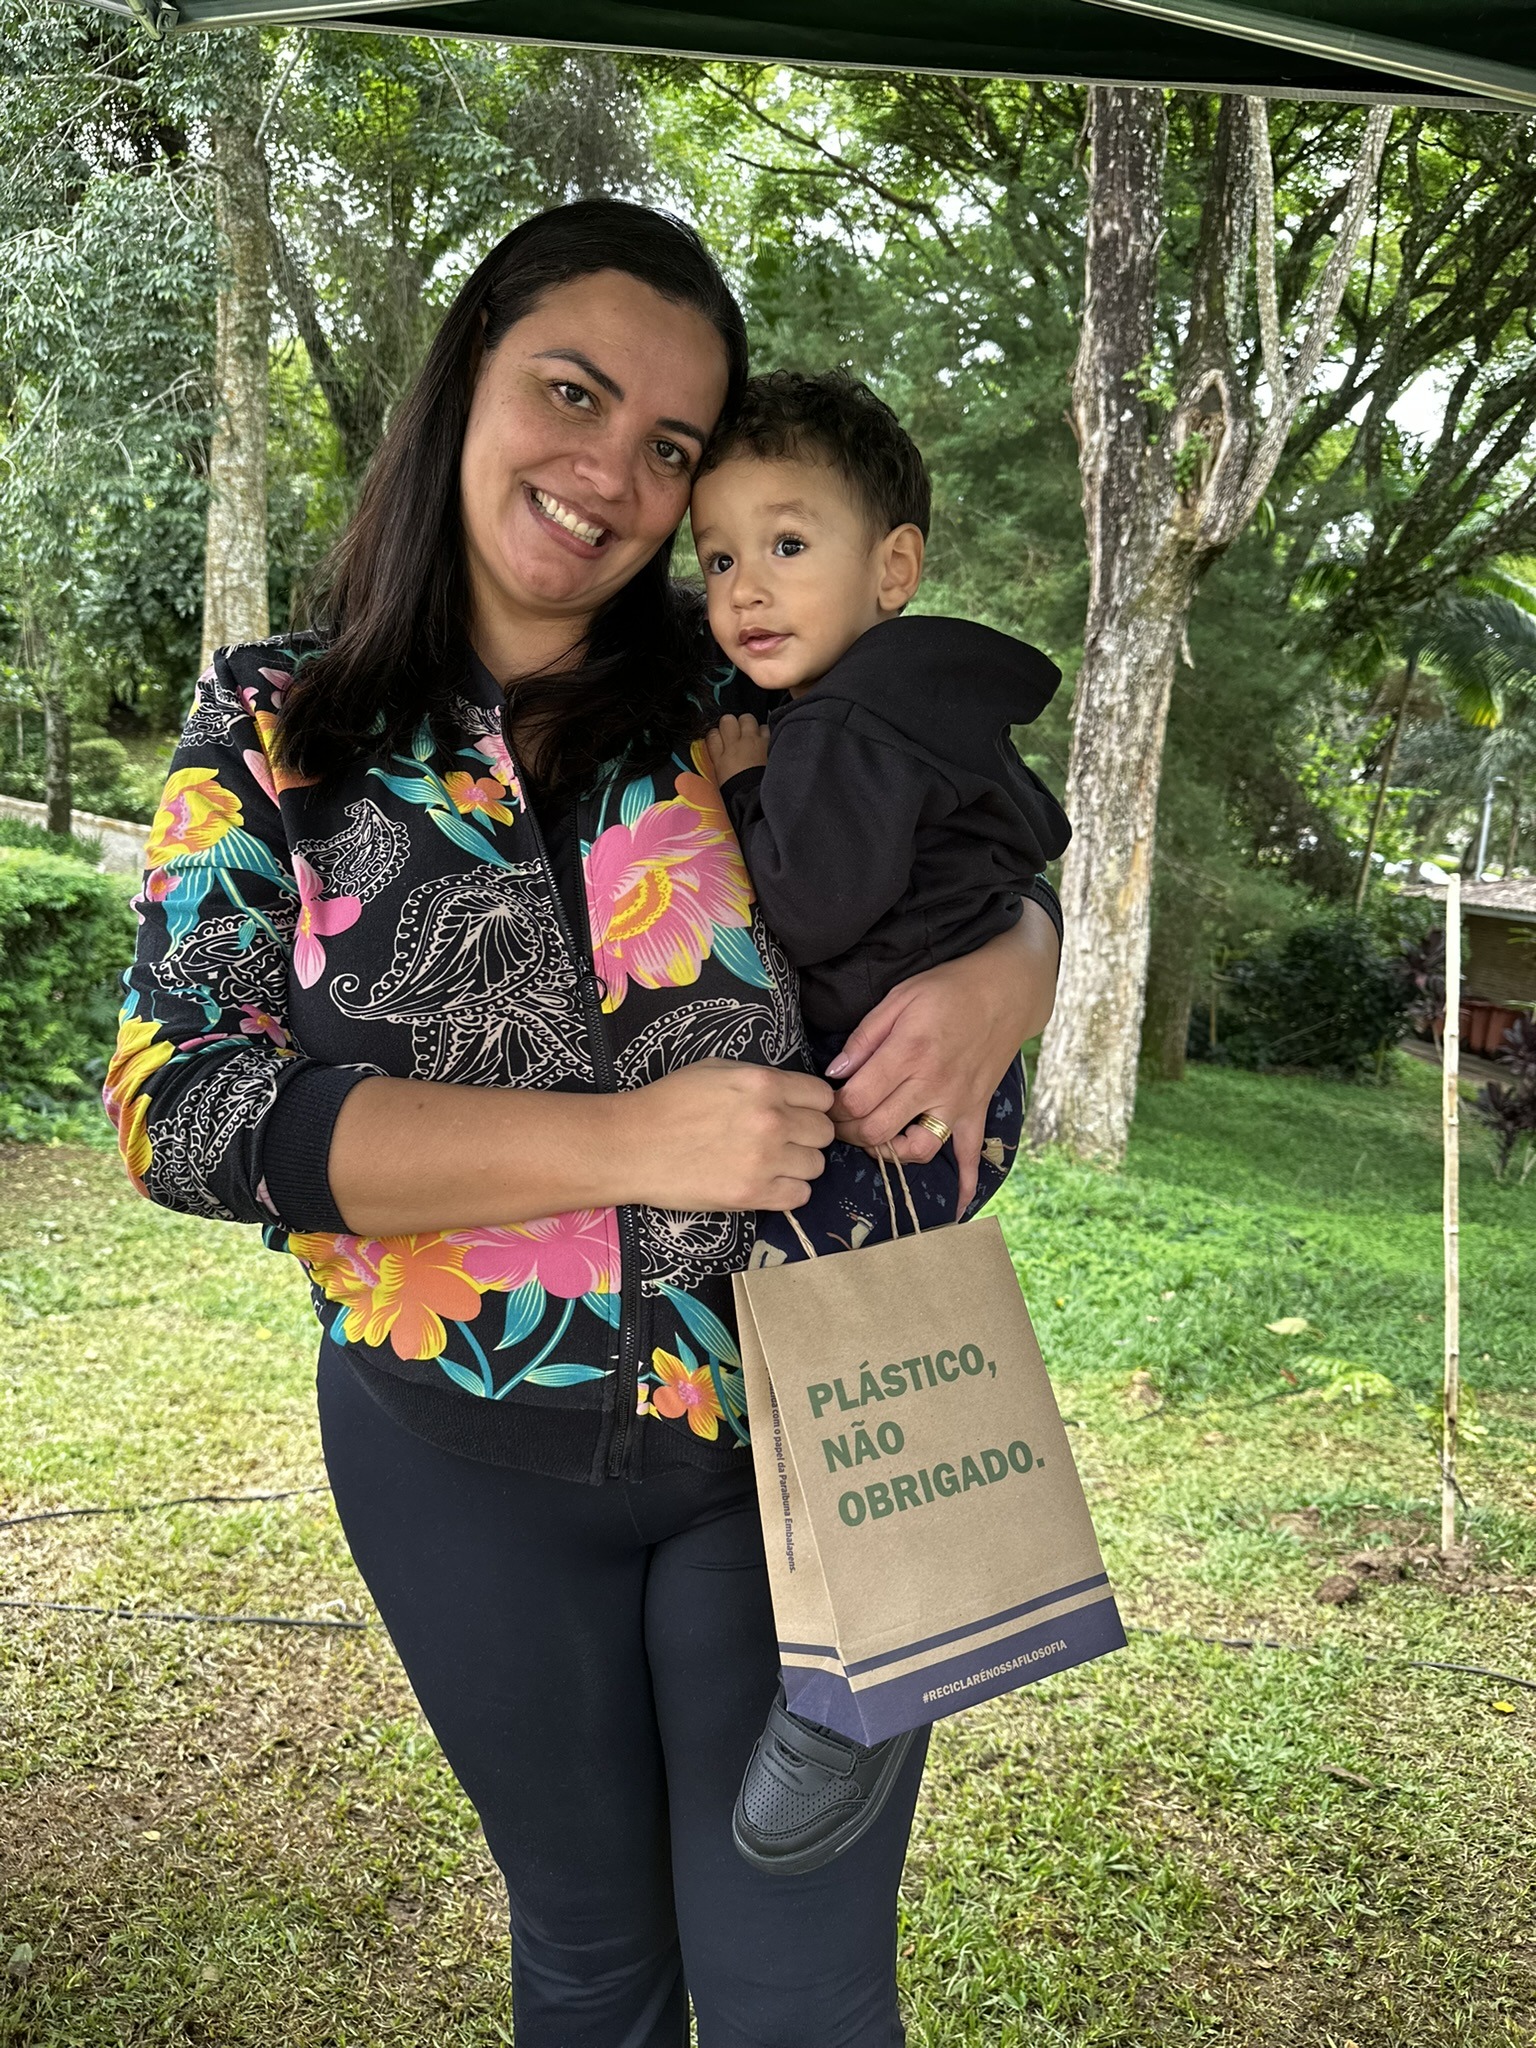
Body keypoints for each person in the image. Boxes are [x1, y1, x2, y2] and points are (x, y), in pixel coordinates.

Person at [105, 199, 1062, 2048]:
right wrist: (633, 1144)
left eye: (676, 449)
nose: (614, 475)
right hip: (453, 1460)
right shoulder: (275, 730)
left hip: (802, 1448)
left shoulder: (748, 695)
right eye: (572, 391)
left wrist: (1016, 958)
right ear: (468, 379)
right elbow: (183, 1108)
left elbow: (976, 846)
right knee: (594, 1968)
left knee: (799, 1997)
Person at [693, 370, 1069, 1877]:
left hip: (903, 1094)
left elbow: (814, 903)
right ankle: (879, 1645)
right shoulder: (919, 701)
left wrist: (740, 791)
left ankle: (873, 1679)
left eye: (789, 546)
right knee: (871, 1351)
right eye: (716, 557)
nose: (742, 590)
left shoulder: (838, 724)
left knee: (861, 1367)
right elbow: (1032, 836)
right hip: (942, 1085)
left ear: (893, 568)